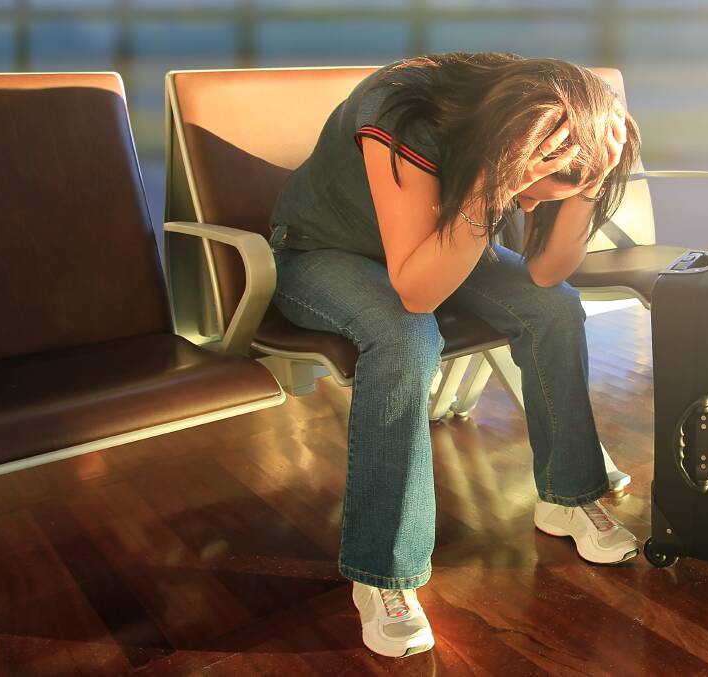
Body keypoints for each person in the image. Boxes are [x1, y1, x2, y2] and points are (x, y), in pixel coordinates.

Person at [266, 52, 643, 658]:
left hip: (434, 243)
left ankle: (569, 497)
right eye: (528, 193)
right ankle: (383, 572)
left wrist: (591, 184)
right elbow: (416, 295)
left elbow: (547, 276)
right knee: (405, 334)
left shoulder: (538, 120)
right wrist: (495, 187)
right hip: (321, 252)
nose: (526, 209)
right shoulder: (401, 111)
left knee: (554, 308)